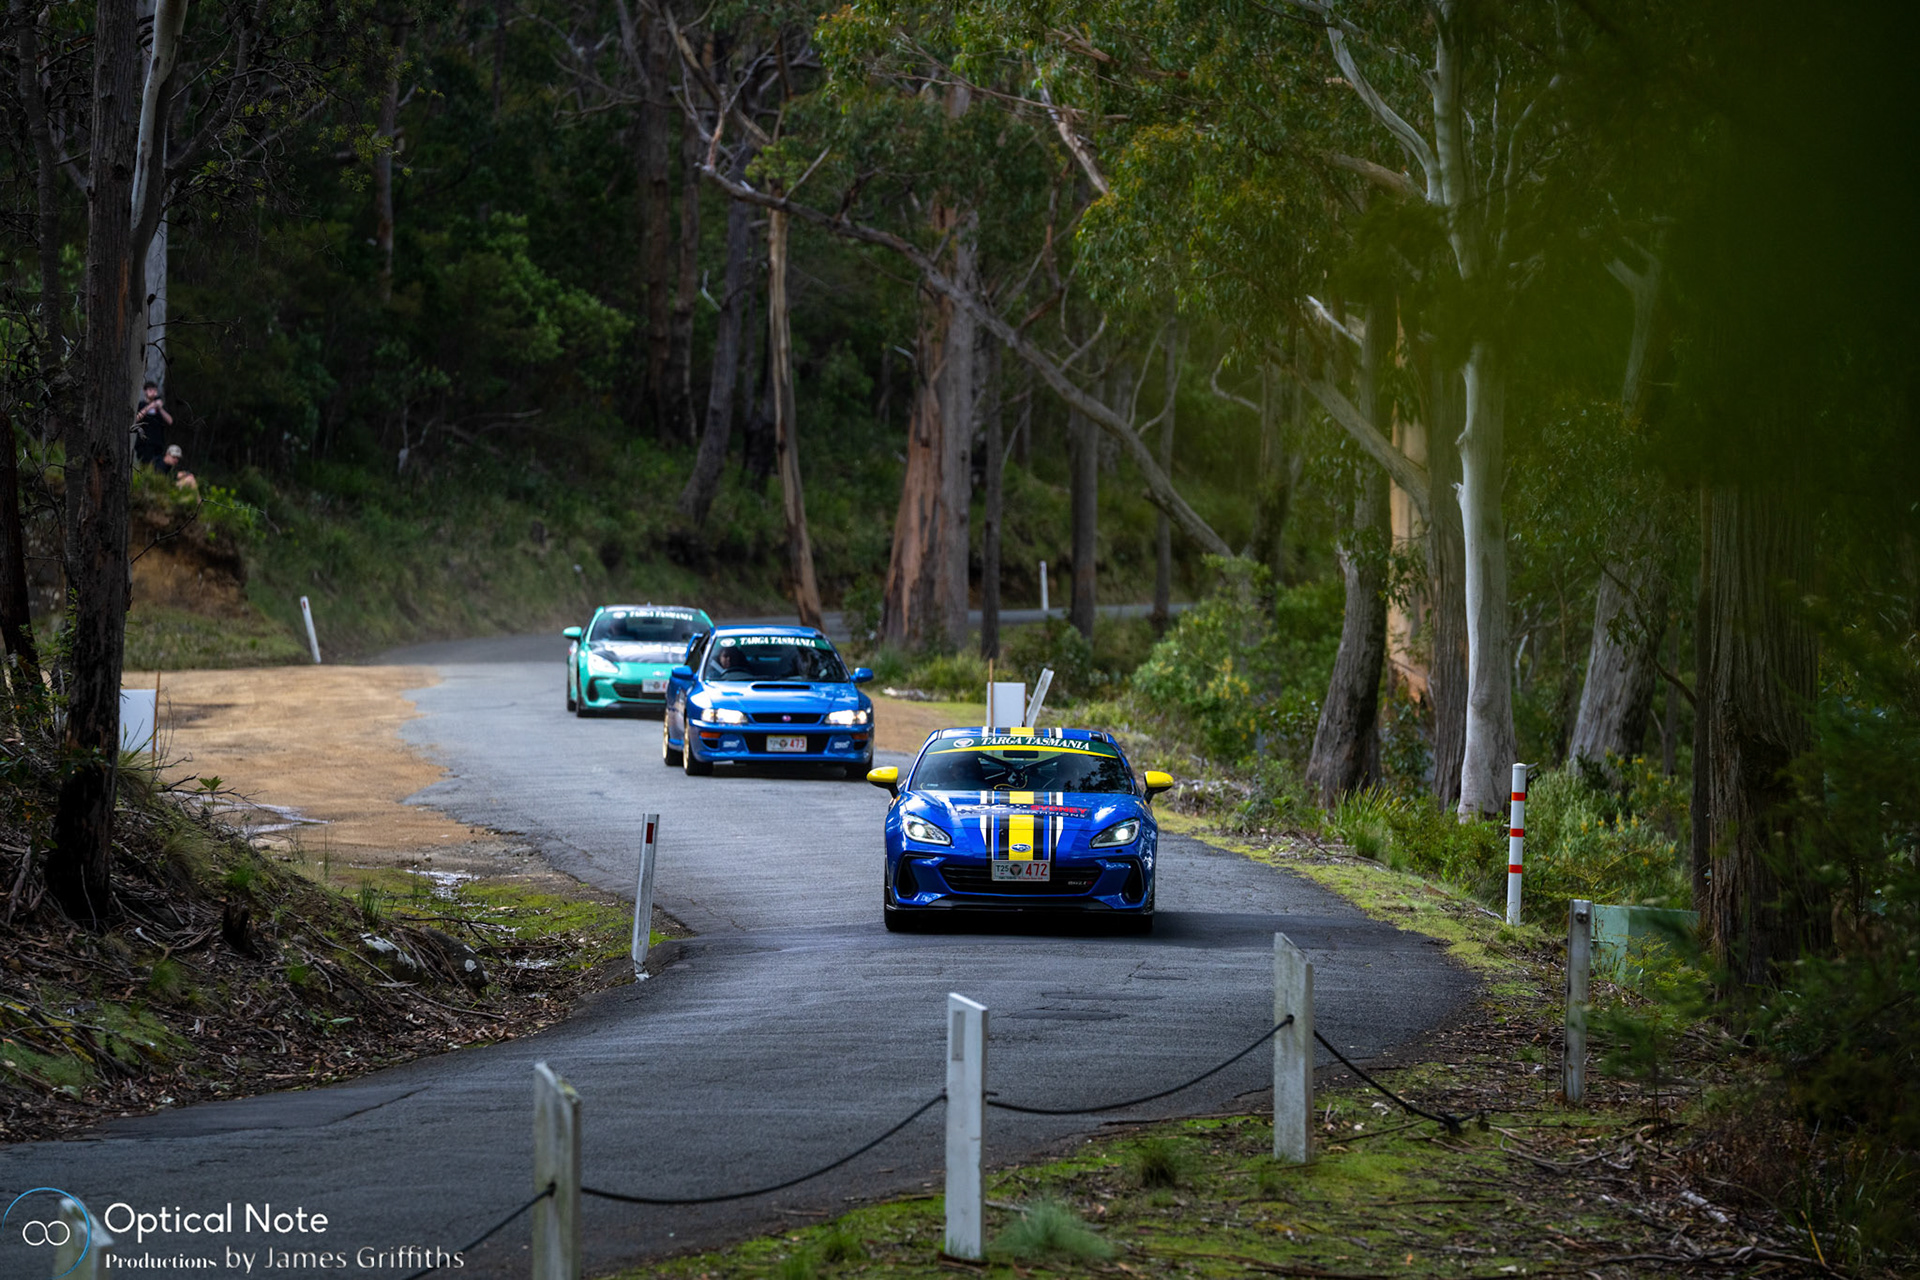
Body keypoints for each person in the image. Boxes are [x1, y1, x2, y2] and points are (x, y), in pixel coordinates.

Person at [131, 381, 173, 466]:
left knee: (156, 466)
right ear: (145, 391)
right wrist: (150, 406)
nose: (153, 393)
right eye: (150, 390)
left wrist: (160, 408)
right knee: (145, 465)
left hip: (157, 443)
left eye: (154, 390)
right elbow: (137, 418)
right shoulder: (142, 405)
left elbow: (170, 421)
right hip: (144, 443)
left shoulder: (160, 408)